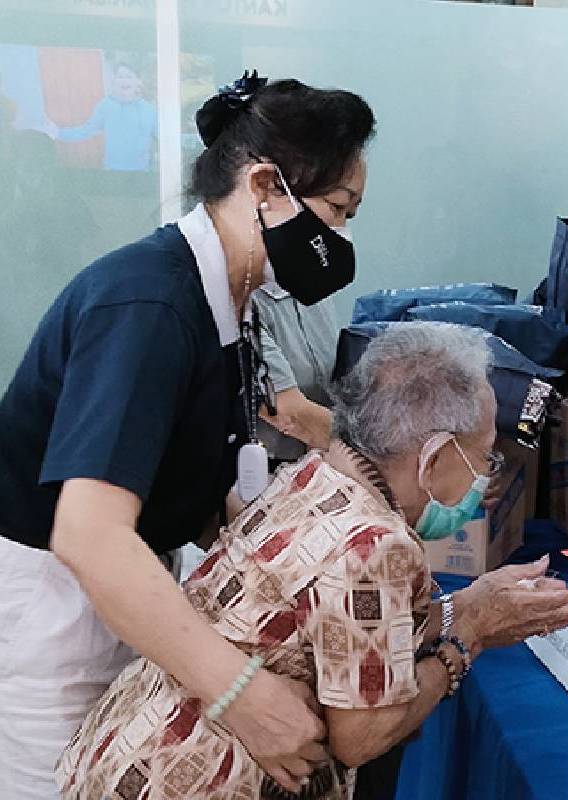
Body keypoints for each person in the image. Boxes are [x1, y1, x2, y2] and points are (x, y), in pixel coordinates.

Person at [0, 73, 371, 797]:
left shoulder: (233, 298)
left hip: (130, 581)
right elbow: (90, 536)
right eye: (335, 210)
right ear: (266, 185)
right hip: (56, 599)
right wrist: (242, 695)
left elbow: (209, 464)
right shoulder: (147, 305)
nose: (342, 238)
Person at [58, 322, 568, 799]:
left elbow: (347, 637)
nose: (487, 476)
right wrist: (469, 636)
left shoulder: (316, 473)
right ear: (436, 454)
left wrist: (466, 603)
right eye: (485, 455)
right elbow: (364, 734)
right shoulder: (375, 545)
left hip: (129, 750)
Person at [254, 284, 343, 461]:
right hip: (266, 469)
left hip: (325, 460)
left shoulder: (314, 284)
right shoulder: (241, 304)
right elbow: (289, 413)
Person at [50, 61, 158, 171]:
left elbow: (163, 138)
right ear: (114, 81)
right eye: (120, 77)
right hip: (111, 171)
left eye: (129, 77)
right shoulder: (105, 106)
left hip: (141, 173)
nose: (124, 81)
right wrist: (56, 132)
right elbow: (86, 130)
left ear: (138, 82)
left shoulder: (149, 110)